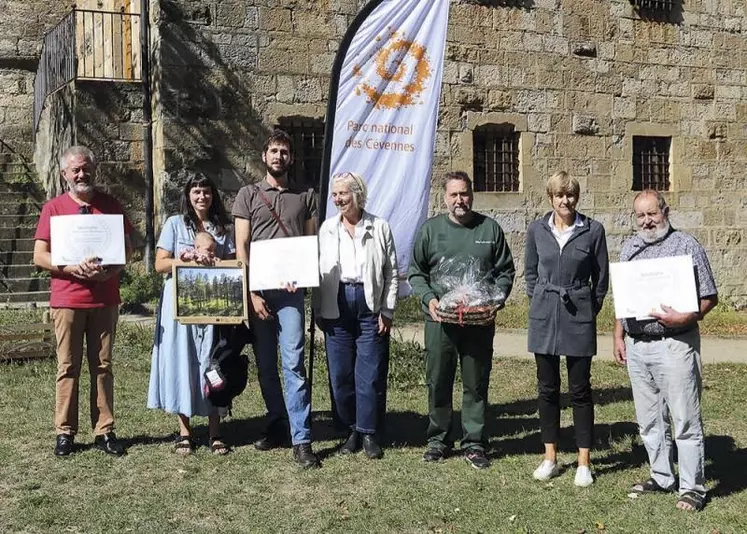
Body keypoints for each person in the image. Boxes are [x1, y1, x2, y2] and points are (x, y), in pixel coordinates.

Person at [613, 190, 718, 512]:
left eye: (652, 214)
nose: (647, 221)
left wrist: (686, 316)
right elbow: (622, 299)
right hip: (638, 346)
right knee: (649, 420)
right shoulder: (630, 248)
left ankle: (692, 488)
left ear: (665, 211)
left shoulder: (686, 246)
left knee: (684, 420)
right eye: (640, 215)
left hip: (676, 344)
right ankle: (661, 476)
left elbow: (710, 296)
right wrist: (618, 336)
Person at [408, 171, 515, 470]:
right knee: (438, 380)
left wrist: (495, 299)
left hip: (478, 321)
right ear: (445, 197)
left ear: (472, 195)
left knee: (476, 382)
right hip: (440, 321)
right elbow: (416, 271)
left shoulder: (489, 229)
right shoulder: (431, 230)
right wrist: (429, 298)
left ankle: (474, 442)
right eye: (454, 194)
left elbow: (505, 271)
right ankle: (438, 439)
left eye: (464, 193)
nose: (460, 200)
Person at [33, 145, 133, 457]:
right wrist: (70, 267)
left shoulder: (111, 205)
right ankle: (65, 432)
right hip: (67, 299)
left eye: (86, 168)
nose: (81, 174)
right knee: (67, 366)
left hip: (104, 298)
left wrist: (110, 271)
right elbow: (39, 255)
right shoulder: (54, 208)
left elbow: (127, 251)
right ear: (65, 174)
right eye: (75, 169)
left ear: (94, 170)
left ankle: (104, 430)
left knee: (102, 366)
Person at [232, 129, 319, 468]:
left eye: (284, 152)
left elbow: (310, 243)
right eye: (273, 151)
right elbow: (242, 247)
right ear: (263, 157)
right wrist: (251, 291)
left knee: (293, 363)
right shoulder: (248, 195)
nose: (279, 157)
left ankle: (302, 439)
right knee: (266, 365)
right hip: (259, 293)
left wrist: (305, 276)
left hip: (292, 294)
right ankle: (277, 422)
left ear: (291, 158)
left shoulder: (305, 194)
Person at [524, 171, 609, 487]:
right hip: (544, 314)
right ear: (550, 197)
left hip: (578, 315)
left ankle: (584, 461)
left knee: (580, 390)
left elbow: (601, 280)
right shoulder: (537, 229)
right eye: (560, 195)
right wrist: (543, 301)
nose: (565, 200)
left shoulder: (593, 231)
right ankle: (550, 456)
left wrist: (587, 308)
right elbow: (530, 274)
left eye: (570, 195)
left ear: (577, 198)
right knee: (547, 388)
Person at [147, 174, 235, 456]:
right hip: (179, 304)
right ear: (188, 195)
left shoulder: (222, 228)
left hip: (214, 302)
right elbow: (160, 265)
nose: (201, 197)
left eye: (206, 191)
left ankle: (215, 430)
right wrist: (185, 260)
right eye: (196, 192)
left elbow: (234, 263)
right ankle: (185, 431)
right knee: (182, 361)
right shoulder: (175, 224)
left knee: (212, 362)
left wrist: (216, 260)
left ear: (213, 195)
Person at [313, 172, 398, 459]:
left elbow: (391, 272)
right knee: (340, 373)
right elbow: (317, 270)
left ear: (357, 194)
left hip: (369, 304)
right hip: (336, 304)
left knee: (370, 372)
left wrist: (387, 310)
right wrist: (317, 308)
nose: (338, 199)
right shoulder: (326, 229)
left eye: (343, 194)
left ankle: (369, 432)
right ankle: (350, 429)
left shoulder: (380, 226)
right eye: (335, 194)